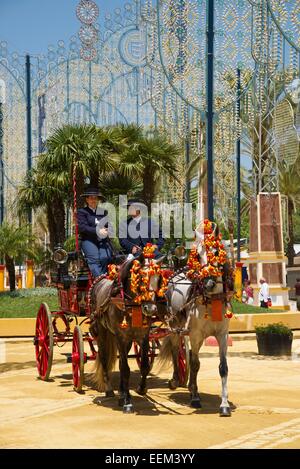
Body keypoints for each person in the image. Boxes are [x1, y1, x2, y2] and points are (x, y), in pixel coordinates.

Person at [77, 187, 112, 278]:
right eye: (91, 198)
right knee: (95, 260)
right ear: (87, 199)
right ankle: (100, 281)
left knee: (106, 257)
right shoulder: (82, 212)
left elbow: (107, 225)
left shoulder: (103, 212)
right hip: (88, 240)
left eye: (95, 198)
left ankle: (104, 277)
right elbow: (83, 228)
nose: (93, 200)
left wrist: (107, 230)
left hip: (102, 240)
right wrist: (98, 231)